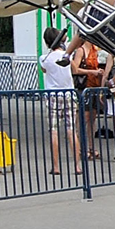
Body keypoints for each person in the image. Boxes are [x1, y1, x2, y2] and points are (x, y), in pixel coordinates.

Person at [39, 26, 82, 176]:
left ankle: (56, 166)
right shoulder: (66, 55)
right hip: (68, 93)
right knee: (71, 130)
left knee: (54, 130)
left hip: (52, 95)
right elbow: (75, 70)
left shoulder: (44, 58)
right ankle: (77, 166)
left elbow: (44, 70)